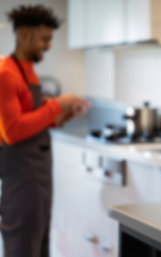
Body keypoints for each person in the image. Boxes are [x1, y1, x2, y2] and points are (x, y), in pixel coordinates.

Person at [0, 5, 90, 257]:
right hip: (20, 175)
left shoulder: (28, 71)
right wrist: (55, 106)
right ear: (24, 34)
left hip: (37, 171)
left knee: (38, 241)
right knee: (22, 245)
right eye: (45, 39)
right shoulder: (6, 73)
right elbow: (12, 131)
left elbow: (31, 118)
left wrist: (62, 115)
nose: (48, 45)